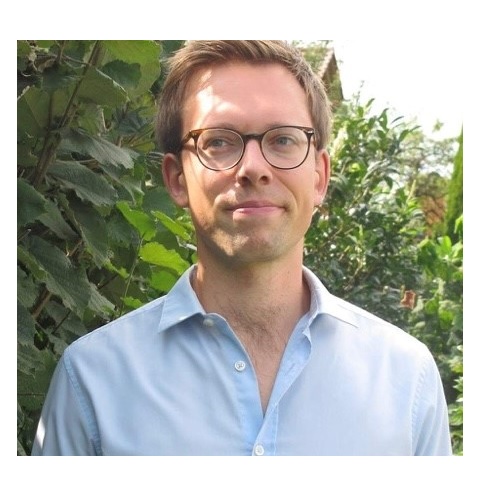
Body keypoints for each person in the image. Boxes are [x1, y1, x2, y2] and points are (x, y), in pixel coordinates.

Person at [32, 40, 452, 456]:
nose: (253, 168)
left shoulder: (407, 380)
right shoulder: (92, 381)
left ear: (320, 177)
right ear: (176, 179)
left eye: (283, 139)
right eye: (219, 141)